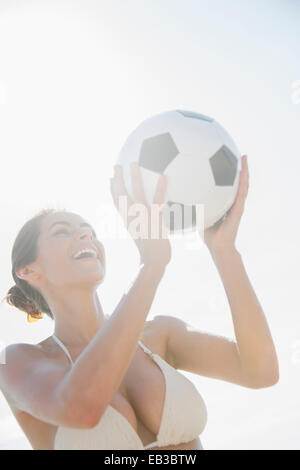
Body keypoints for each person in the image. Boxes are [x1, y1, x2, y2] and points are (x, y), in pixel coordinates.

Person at [0, 157, 279, 450]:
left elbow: (261, 371)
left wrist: (225, 251)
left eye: (89, 231)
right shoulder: (19, 362)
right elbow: (82, 409)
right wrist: (150, 265)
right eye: (61, 231)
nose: (85, 235)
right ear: (28, 271)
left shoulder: (158, 334)